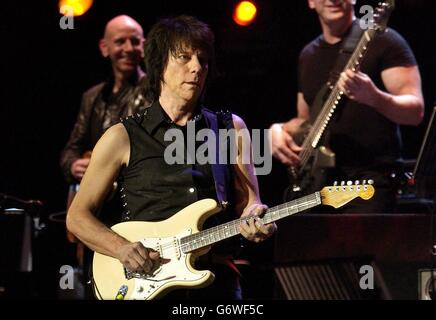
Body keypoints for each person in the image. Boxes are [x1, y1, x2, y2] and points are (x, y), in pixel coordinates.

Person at [66, 15, 276, 300]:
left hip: (216, 283)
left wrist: (256, 218)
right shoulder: (122, 137)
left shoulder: (232, 128)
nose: (196, 68)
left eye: (202, 59)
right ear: (159, 64)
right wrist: (121, 248)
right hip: (147, 282)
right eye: (183, 57)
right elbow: (78, 217)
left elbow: (250, 202)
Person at [270, 0, 424, 213]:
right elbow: (305, 122)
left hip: (369, 184)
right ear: (311, 2)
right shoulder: (308, 55)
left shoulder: (384, 40)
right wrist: (280, 129)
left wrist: (374, 97)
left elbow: (415, 112)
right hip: (321, 186)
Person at [60, 15, 149, 298]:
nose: (128, 47)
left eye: (134, 41)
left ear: (144, 46)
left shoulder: (155, 92)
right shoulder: (92, 97)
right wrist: (73, 164)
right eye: (120, 41)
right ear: (104, 47)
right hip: (96, 212)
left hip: (133, 210)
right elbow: (70, 148)